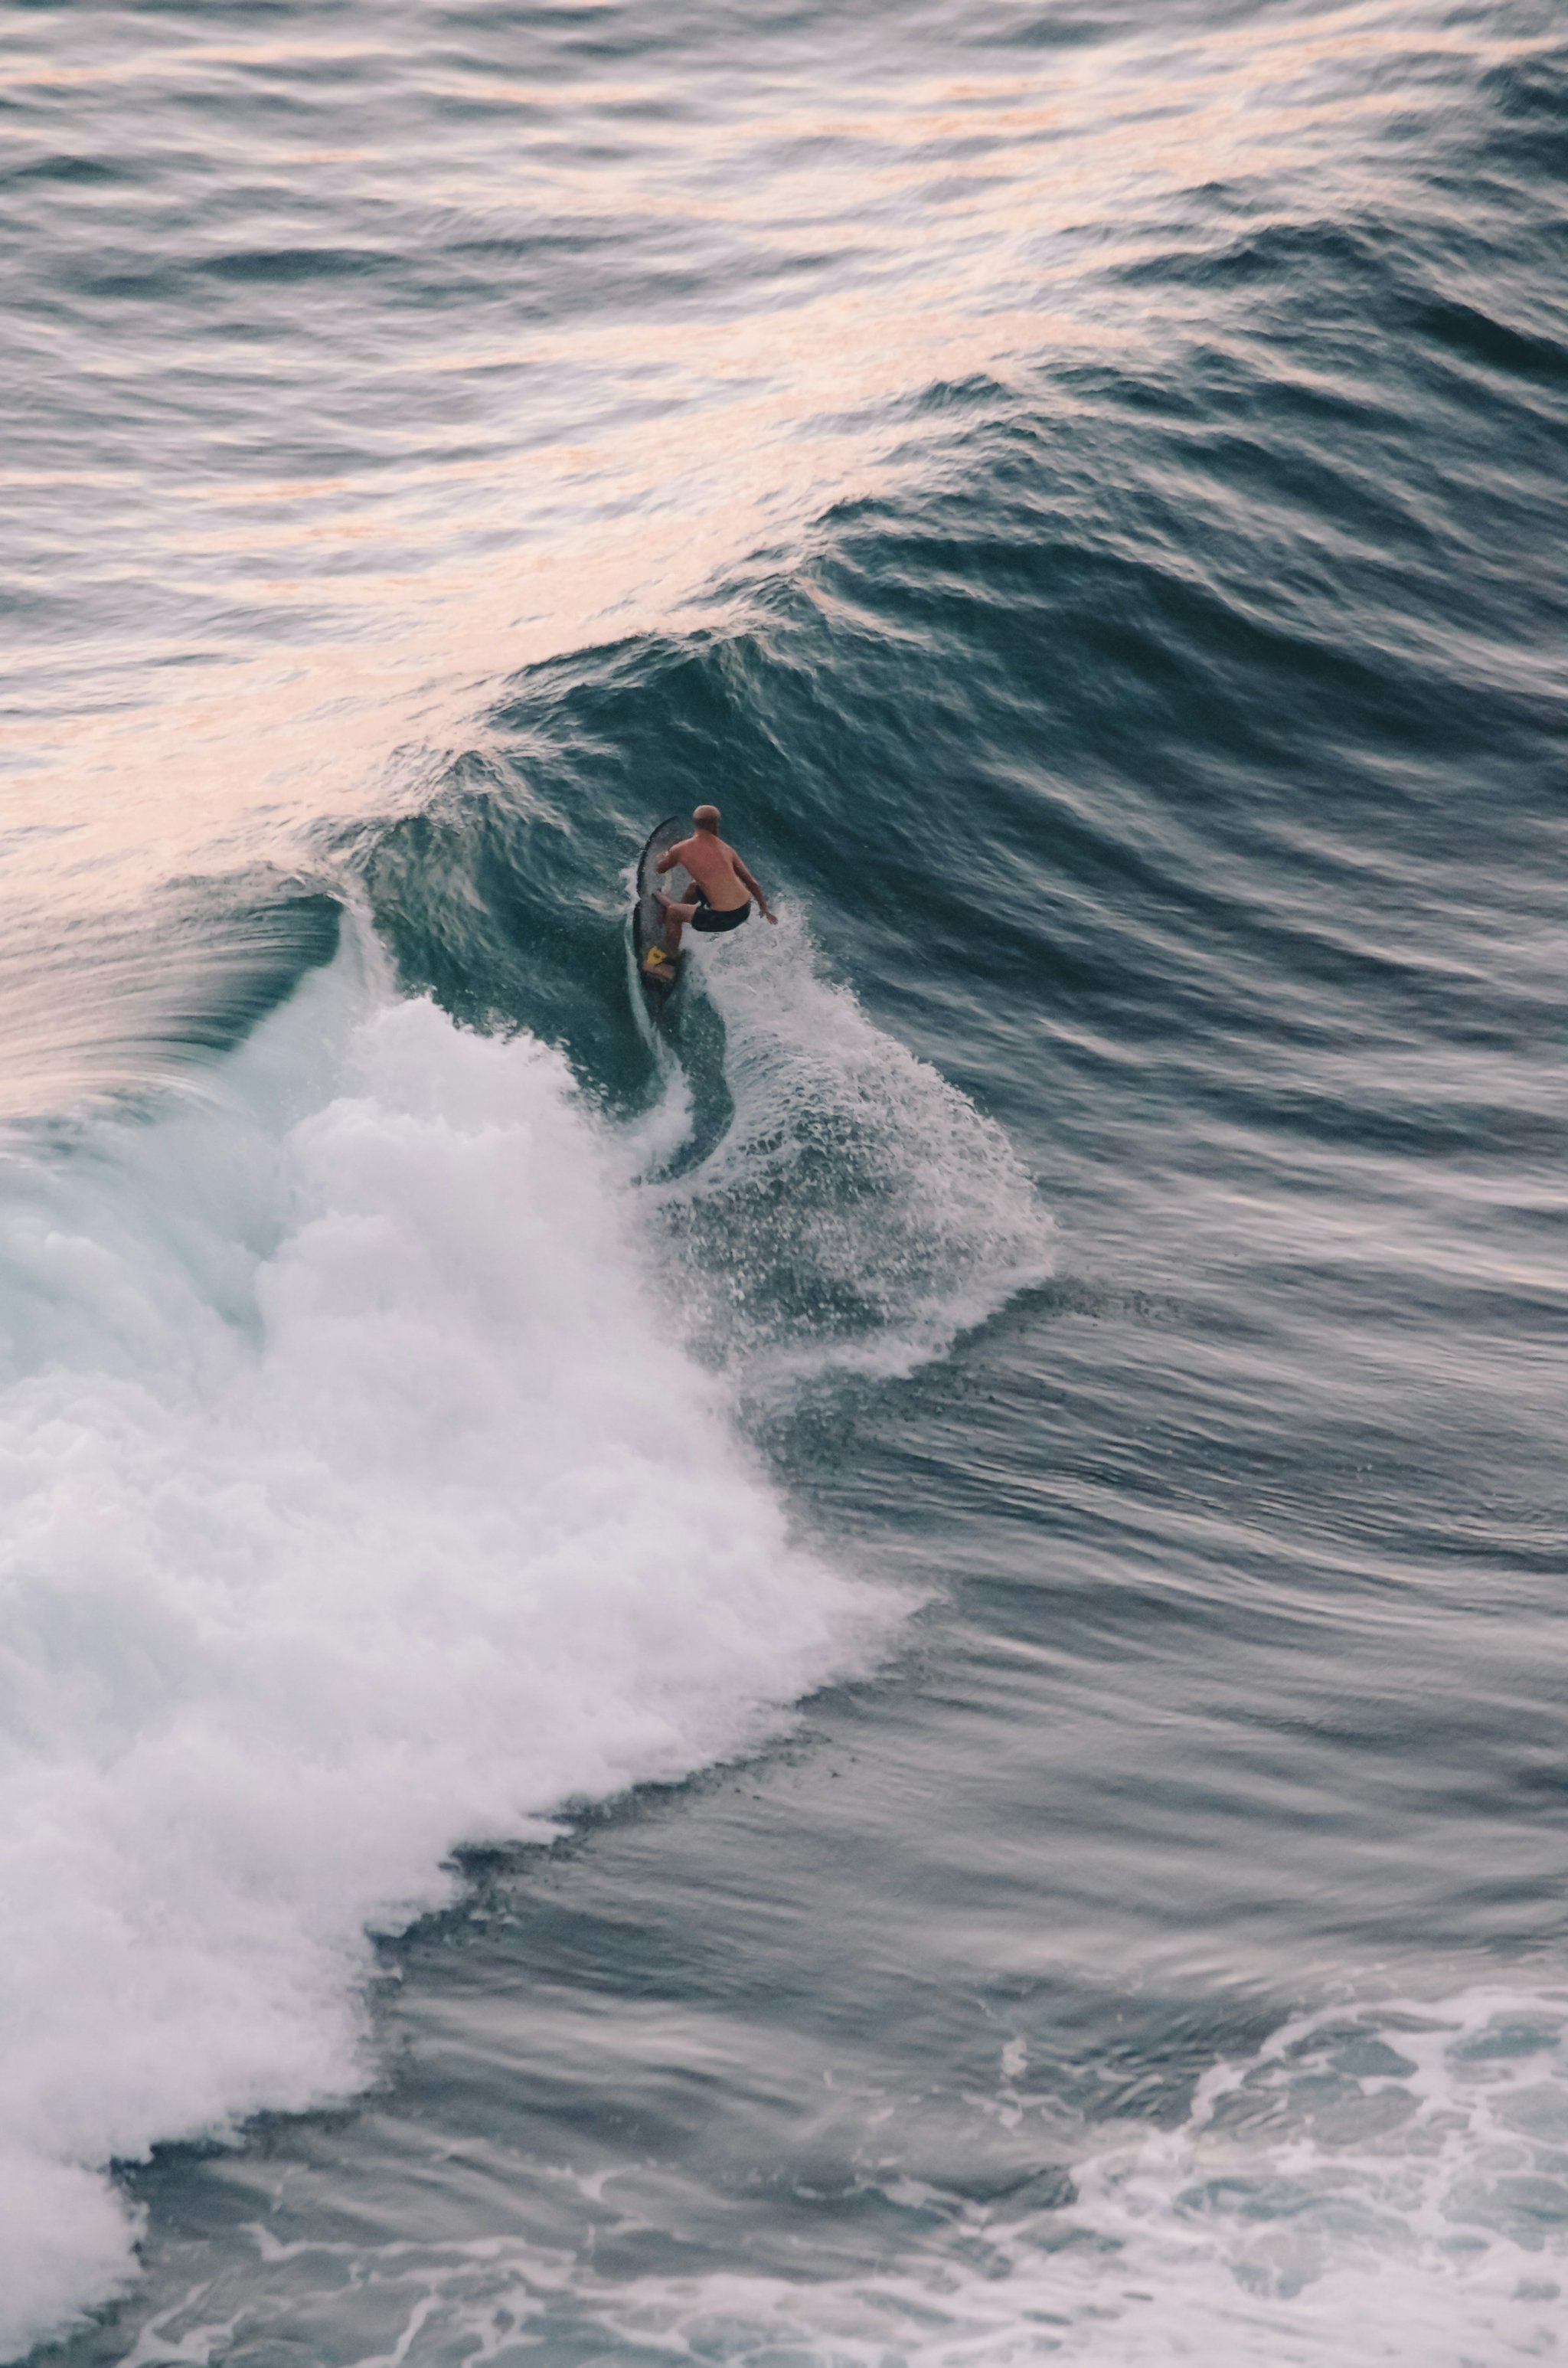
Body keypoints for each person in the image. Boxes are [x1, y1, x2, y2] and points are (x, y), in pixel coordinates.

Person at [646, 804, 778, 967]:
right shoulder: (727, 850)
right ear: (715, 824)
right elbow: (751, 882)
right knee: (694, 888)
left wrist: (666, 857)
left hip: (722, 918)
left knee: (673, 912)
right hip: (744, 909)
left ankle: (671, 955)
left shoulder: (680, 849)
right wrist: (764, 909)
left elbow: (660, 869)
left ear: (696, 823)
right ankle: (681, 918)